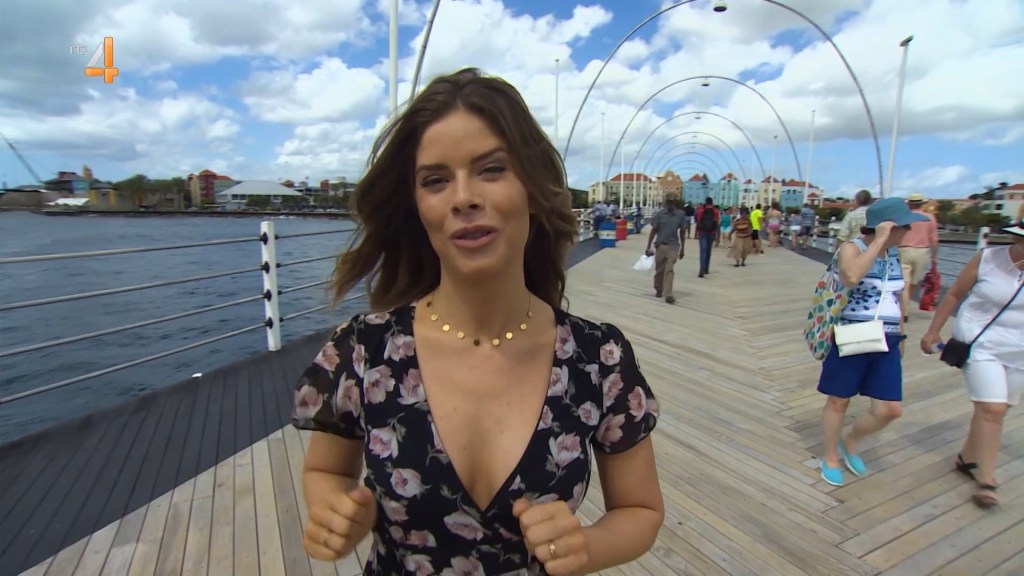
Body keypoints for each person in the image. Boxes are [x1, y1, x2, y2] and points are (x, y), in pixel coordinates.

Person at [291, 68, 663, 575]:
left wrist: (587, 547)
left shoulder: (600, 359)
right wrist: (332, 509)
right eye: (435, 180)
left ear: (533, 188)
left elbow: (639, 509)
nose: (463, 196)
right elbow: (325, 470)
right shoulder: (362, 351)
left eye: (491, 169)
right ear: (417, 206)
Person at [816, 197, 929, 487]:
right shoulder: (852, 248)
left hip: (887, 337)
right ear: (886, 226)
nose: (908, 231)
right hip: (851, 333)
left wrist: (901, 335)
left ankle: (850, 441)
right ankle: (830, 456)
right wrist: (877, 242)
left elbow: (897, 297)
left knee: (889, 409)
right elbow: (851, 276)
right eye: (903, 226)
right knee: (839, 399)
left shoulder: (894, 255)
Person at [920, 218, 1024, 507]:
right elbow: (954, 293)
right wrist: (933, 330)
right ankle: (986, 480)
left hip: (1019, 350)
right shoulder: (988, 258)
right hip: (982, 343)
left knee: (996, 409)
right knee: (993, 408)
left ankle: (967, 458)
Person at [897, 193, 939, 322]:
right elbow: (934, 239)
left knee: (905, 282)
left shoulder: (903, 217)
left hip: (904, 249)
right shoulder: (930, 218)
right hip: (922, 251)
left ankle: (904, 310)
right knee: (914, 282)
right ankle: (906, 304)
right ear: (922, 204)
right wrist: (934, 256)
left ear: (909, 204)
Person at [645, 196, 686, 304]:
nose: (669, 205)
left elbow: (682, 232)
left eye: (671, 202)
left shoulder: (680, 215)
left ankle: (668, 294)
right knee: (659, 270)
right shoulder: (659, 214)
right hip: (660, 245)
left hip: (673, 246)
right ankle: (659, 288)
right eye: (668, 202)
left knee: (669, 269)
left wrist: (683, 248)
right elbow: (653, 230)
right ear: (665, 203)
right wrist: (648, 246)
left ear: (674, 203)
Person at [694, 197, 719, 278]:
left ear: (705, 202)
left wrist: (696, 233)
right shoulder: (716, 211)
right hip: (711, 233)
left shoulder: (700, 210)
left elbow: (697, 221)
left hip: (702, 232)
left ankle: (701, 267)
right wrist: (717, 235)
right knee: (708, 251)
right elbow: (717, 223)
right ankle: (706, 269)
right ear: (712, 203)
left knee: (702, 251)